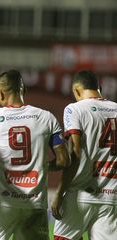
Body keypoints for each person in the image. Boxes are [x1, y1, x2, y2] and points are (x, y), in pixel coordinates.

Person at [0, 70, 70, 240]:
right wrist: (44, 165)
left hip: (2, 203)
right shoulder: (46, 118)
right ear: (24, 90)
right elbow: (64, 160)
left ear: (0, 92)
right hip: (35, 203)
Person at [52, 70, 117, 240]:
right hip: (111, 197)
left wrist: (59, 193)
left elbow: (74, 151)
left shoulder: (75, 109)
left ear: (77, 91)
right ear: (99, 88)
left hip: (80, 194)